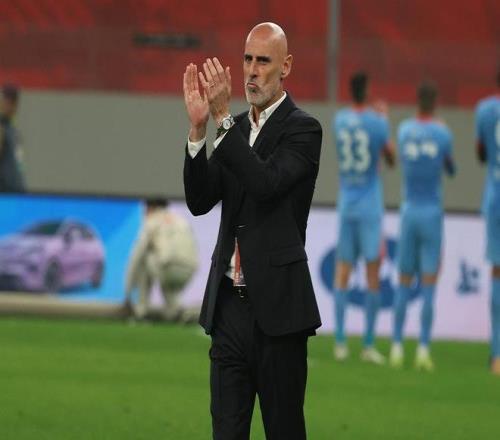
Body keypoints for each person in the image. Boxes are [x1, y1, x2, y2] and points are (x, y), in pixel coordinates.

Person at [182, 22, 322, 440]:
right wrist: (198, 131)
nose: (252, 71)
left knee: (284, 431)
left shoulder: (303, 130)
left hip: (278, 313)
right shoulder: (235, 128)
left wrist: (223, 121)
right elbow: (200, 199)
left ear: (286, 67)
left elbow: (264, 183)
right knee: (226, 432)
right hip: (228, 309)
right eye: (247, 59)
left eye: (263, 61)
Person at [390, 81, 456, 371]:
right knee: (429, 283)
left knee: (404, 281)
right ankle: (423, 349)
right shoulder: (443, 133)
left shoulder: (405, 130)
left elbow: (400, 160)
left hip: (409, 212)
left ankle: (396, 347)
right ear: (435, 102)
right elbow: (451, 168)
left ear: (417, 101)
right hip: (431, 213)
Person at [332, 72, 394, 364]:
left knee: (343, 271)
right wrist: (384, 121)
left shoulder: (339, 120)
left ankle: (340, 342)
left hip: (347, 203)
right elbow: (390, 158)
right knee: (372, 272)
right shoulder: (376, 122)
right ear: (367, 91)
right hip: (369, 206)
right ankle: (368, 345)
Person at [125, 197, 198, 322]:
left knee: (146, 260)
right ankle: (175, 311)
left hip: (168, 268)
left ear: (150, 208)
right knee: (164, 270)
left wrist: (128, 290)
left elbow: (136, 256)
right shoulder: (181, 220)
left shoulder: (152, 221)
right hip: (189, 269)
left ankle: (141, 312)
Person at [475, 69, 500, 376]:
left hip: (495, 195)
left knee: (497, 269)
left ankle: (497, 354)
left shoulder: (484, 110)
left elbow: (481, 151)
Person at [0, 84, 25, 192]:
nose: (10, 105)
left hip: (17, 191)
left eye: (13, 102)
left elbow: (18, 164)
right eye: (6, 101)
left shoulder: (13, 131)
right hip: (5, 193)